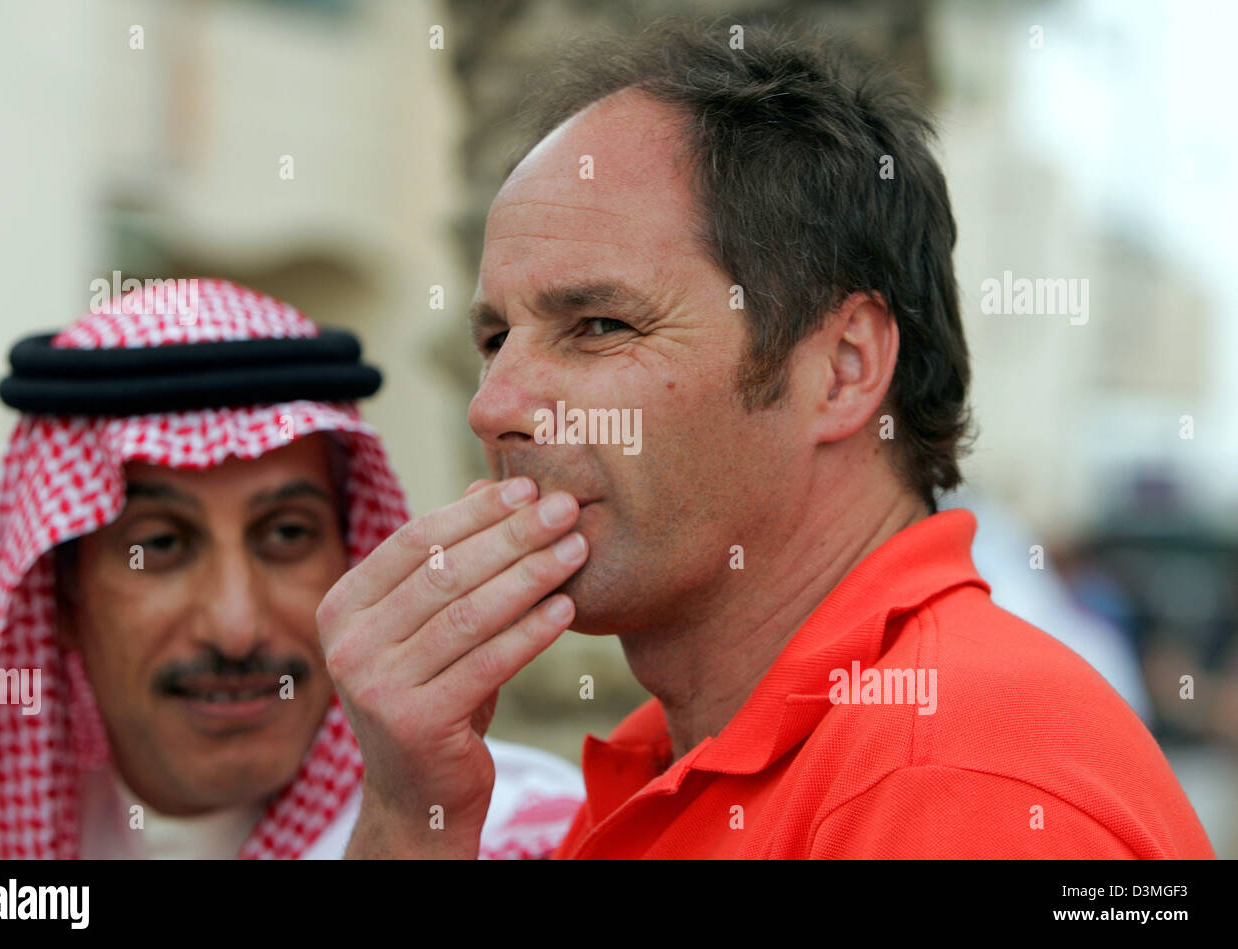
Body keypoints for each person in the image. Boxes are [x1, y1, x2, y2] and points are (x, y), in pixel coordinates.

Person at [319, 23, 1216, 858]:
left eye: (597, 325)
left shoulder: (958, 788)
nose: (494, 405)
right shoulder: (691, 748)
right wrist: (408, 819)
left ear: (843, 368)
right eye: (493, 340)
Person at [0, 278, 583, 859]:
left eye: (286, 535)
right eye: (160, 545)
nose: (236, 629)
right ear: (64, 599)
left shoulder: (533, 836)